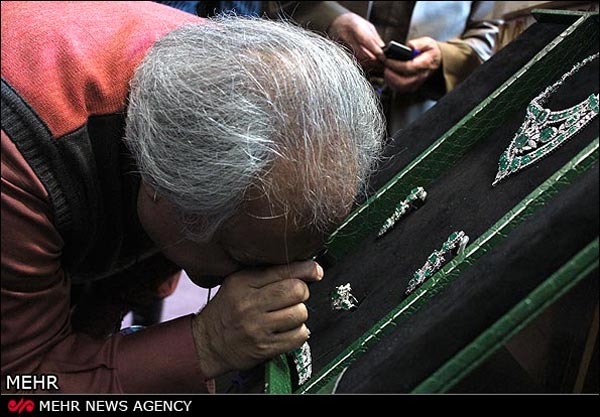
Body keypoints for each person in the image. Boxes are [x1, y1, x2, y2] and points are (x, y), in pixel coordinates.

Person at [1, 1, 384, 393]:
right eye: (243, 261)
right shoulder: (16, 161)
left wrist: (107, 338)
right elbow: (22, 388)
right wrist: (206, 344)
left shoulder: (212, 75)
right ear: (162, 185)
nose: (254, 284)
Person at [285, 1, 501, 134]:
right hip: (314, 100)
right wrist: (331, 19)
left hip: (417, 120)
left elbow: (488, 39)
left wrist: (442, 59)